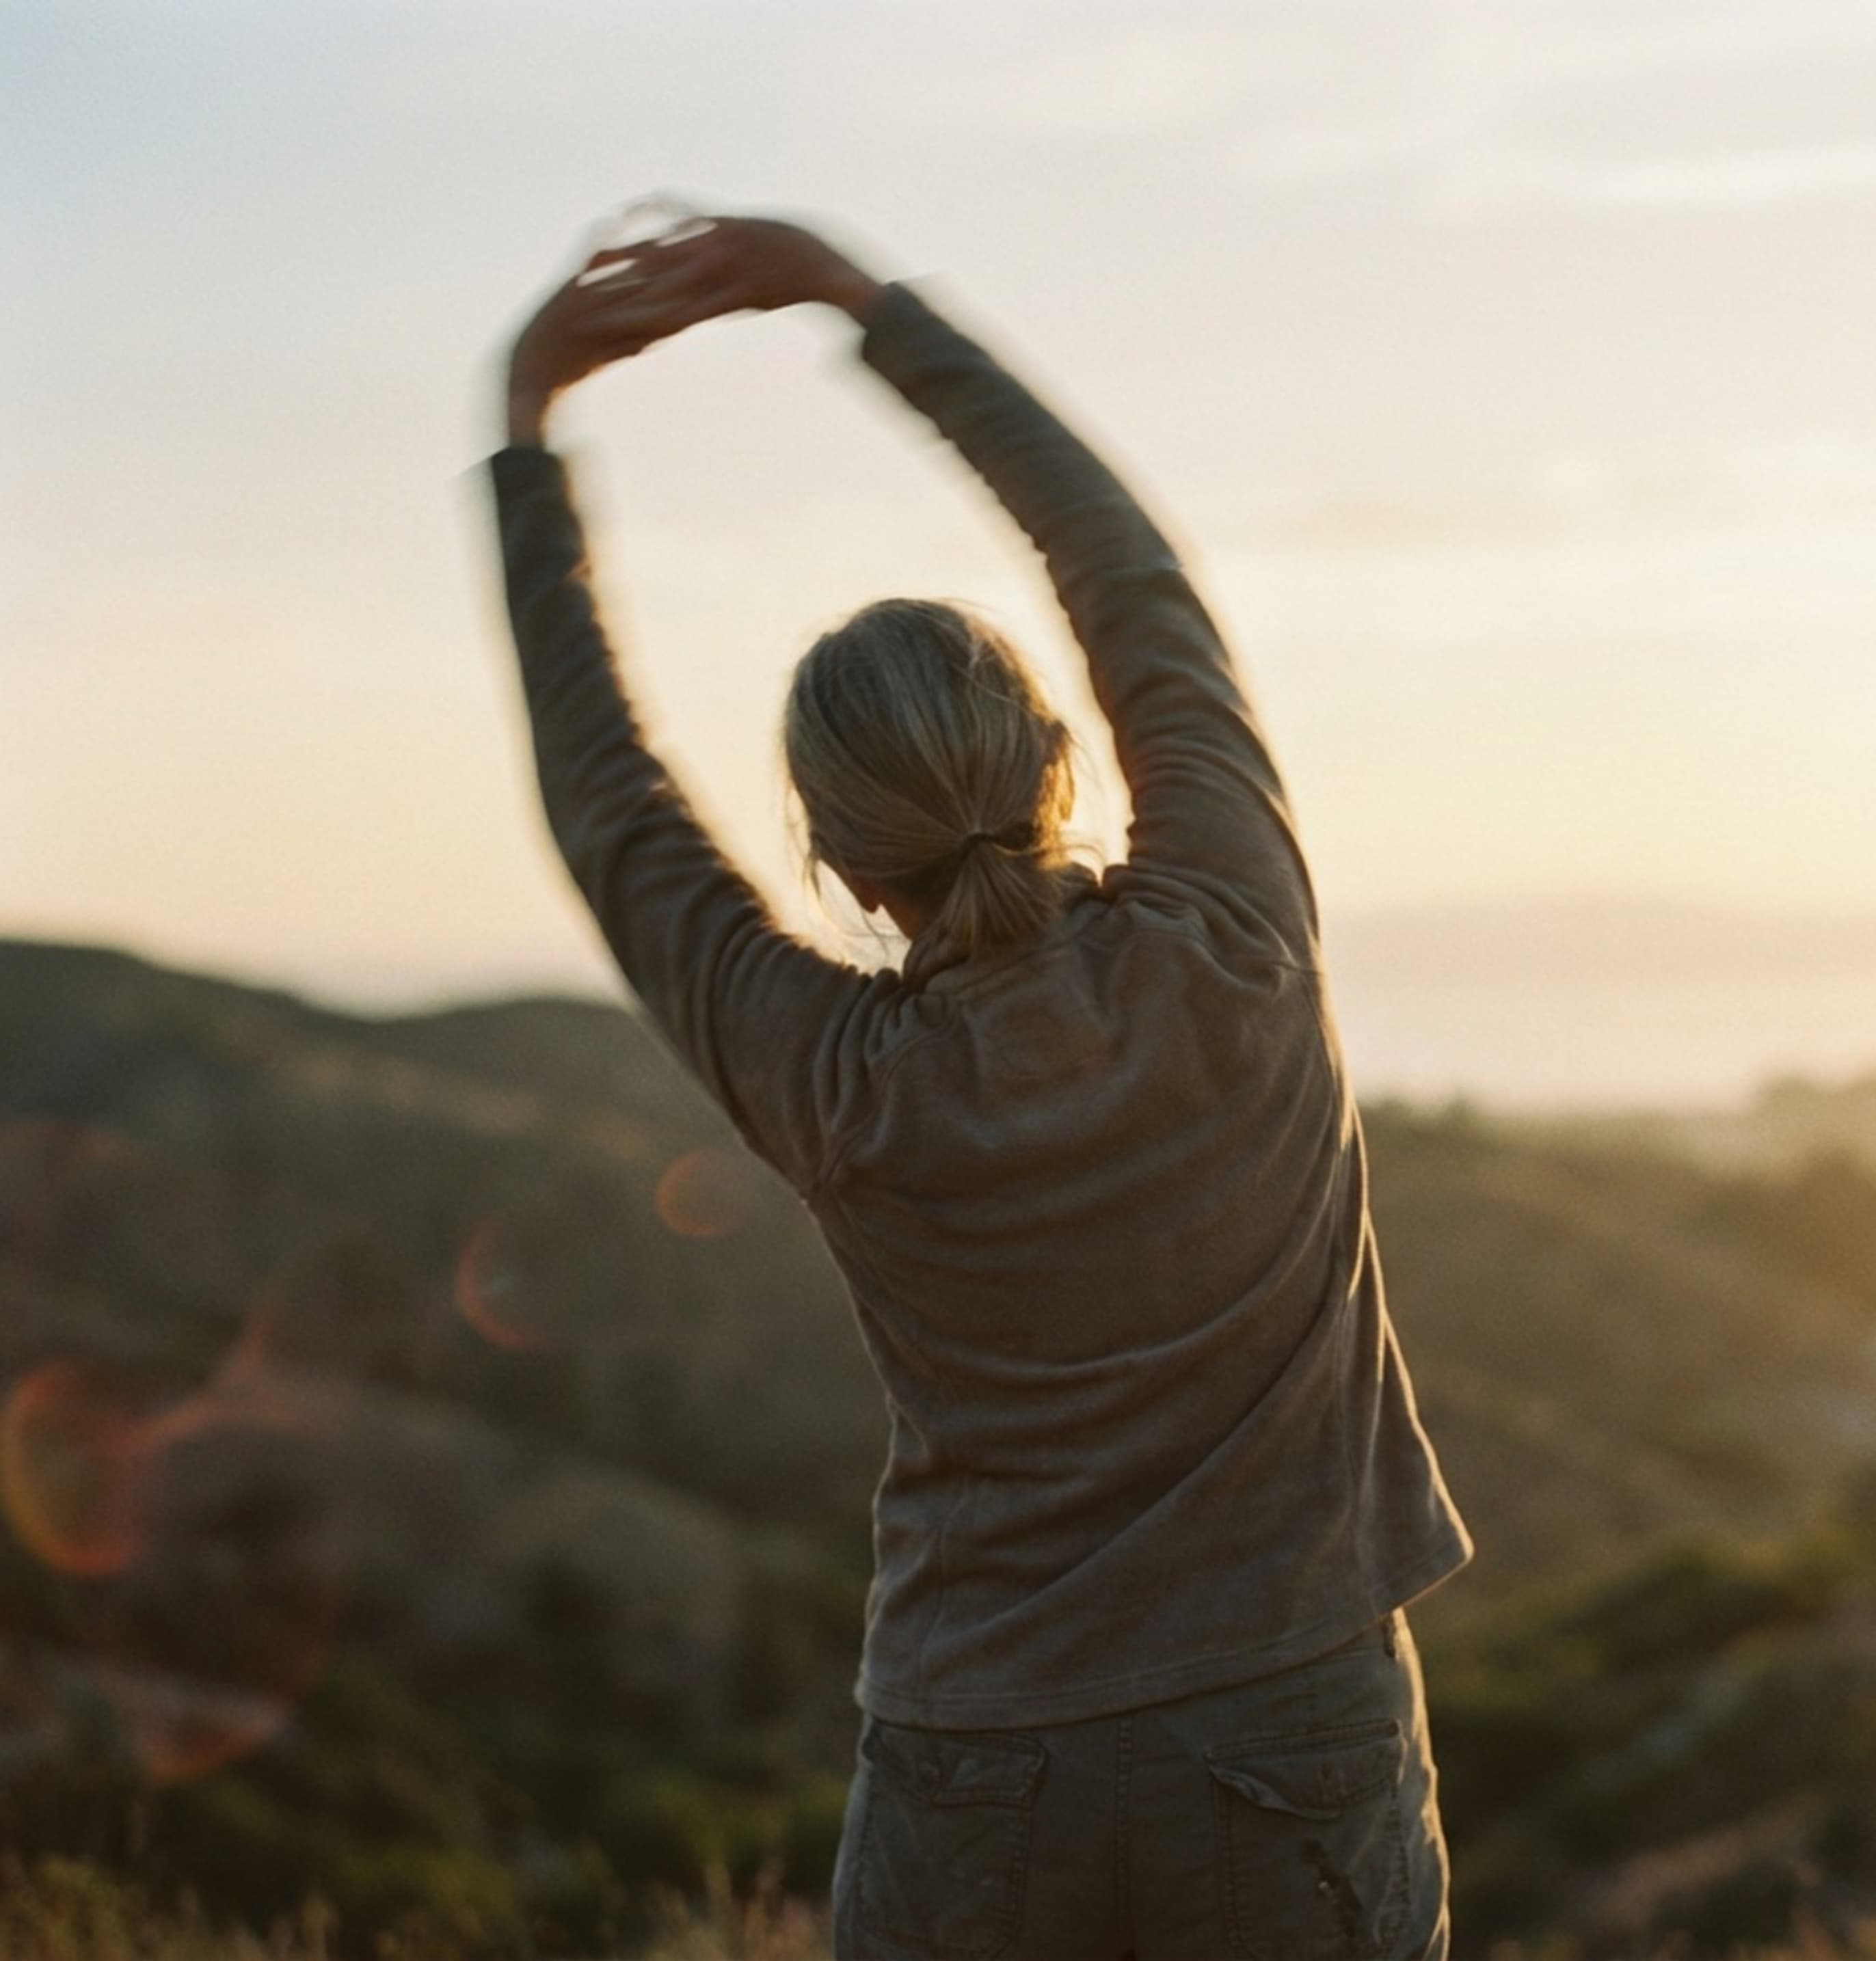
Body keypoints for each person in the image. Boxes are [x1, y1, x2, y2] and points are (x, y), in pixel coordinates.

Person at [486, 212, 1473, 1960]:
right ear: (1059, 763)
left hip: (977, 1769)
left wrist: (528, 431)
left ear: (845, 872)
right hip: (1293, 1727)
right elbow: (1125, 574)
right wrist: (860, 303)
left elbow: (610, 807)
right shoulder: (1236, 937)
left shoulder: (833, 1079)